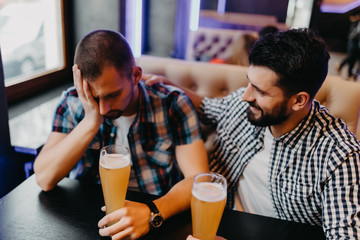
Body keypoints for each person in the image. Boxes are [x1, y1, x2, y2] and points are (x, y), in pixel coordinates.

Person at [145, 28, 360, 239]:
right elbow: (205, 108)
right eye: (249, 82)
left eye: (261, 91)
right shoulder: (243, 106)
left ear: (298, 100)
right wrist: (169, 85)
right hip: (219, 226)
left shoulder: (340, 155)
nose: (245, 96)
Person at [33, 29, 209, 239]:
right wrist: (90, 122)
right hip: (88, 219)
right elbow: (44, 178)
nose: (104, 109)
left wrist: (151, 211)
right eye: (95, 97)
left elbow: (199, 181)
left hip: (157, 217)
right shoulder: (72, 103)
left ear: (136, 76)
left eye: (113, 95)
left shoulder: (172, 103)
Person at [336, 14, 360, 80]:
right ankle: (350, 73)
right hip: (355, 43)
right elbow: (355, 34)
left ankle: (349, 73)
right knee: (352, 58)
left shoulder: (356, 23)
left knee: (352, 58)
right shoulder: (356, 23)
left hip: (355, 43)